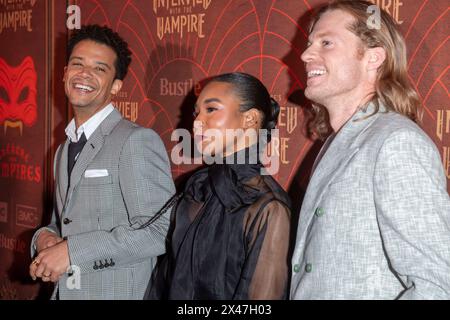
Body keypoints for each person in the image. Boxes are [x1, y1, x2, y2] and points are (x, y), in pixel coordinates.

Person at [290, 0, 450, 299]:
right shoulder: (337, 144)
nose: (305, 54)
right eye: (310, 43)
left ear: (374, 57)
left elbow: (438, 285)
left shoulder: (396, 143)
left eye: (326, 42)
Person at [29, 25, 175, 299]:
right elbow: (63, 223)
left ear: (116, 86)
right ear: (64, 74)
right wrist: (45, 238)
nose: (84, 73)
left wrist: (71, 251)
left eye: (99, 69)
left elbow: (159, 231)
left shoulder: (136, 141)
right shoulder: (62, 150)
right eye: (77, 63)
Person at [148, 72, 291, 300]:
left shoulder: (267, 207)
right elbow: (164, 281)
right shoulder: (196, 188)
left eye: (211, 110)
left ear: (250, 119)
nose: (196, 122)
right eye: (197, 113)